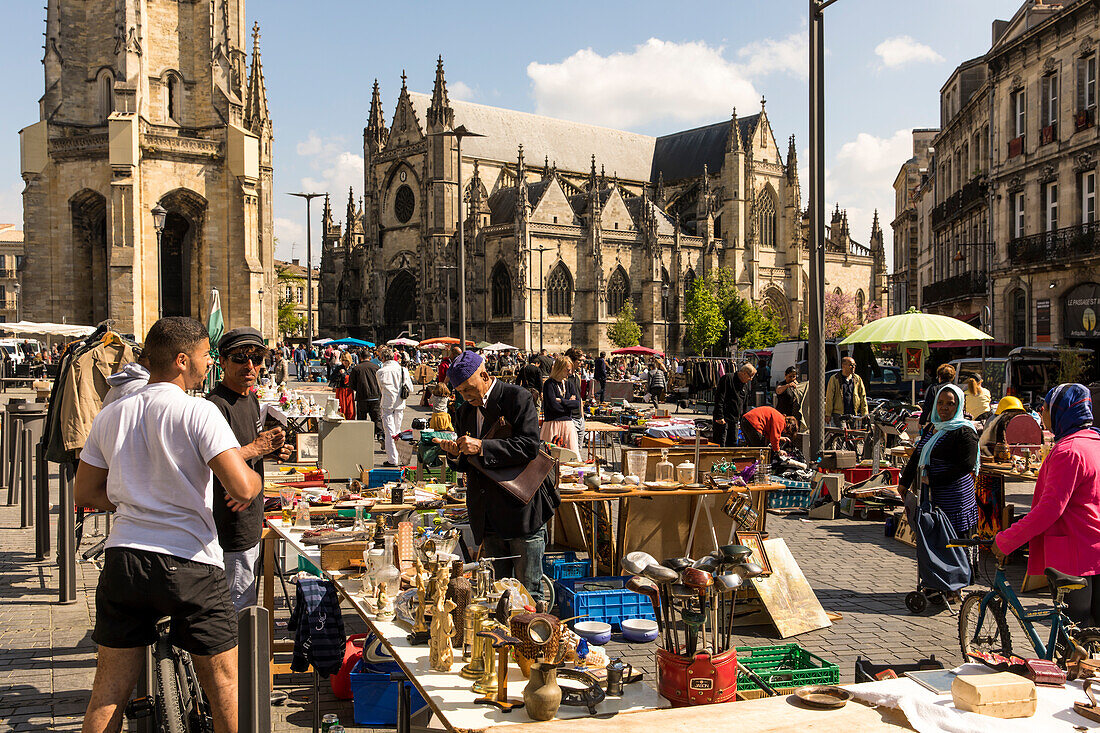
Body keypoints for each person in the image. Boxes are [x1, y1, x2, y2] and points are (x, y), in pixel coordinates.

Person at [74, 317, 262, 733]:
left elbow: (84, 493)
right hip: (189, 561)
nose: (209, 363)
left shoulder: (113, 413)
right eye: (205, 355)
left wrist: (134, 496)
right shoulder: (199, 411)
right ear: (181, 361)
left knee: (108, 691)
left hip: (125, 558)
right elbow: (241, 487)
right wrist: (256, 478)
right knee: (224, 687)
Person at [433, 351, 560, 606]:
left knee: (528, 596)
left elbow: (529, 446)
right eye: (460, 392)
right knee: (496, 596)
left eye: (469, 389)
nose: (466, 397)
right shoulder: (464, 412)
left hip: (521, 511)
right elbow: (470, 464)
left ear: (485, 375)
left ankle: (531, 643)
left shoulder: (517, 397)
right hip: (488, 516)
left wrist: (482, 447)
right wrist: (455, 456)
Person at [993, 384, 1100, 626]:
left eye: (1046, 409)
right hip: (1094, 551)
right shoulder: (1095, 441)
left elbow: (1049, 509)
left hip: (1075, 555)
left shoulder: (1068, 451)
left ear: (1061, 411)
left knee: (1074, 634)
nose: (1042, 414)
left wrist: (1007, 541)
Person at [207, 328, 291, 612]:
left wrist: (273, 450)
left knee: (246, 603)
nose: (250, 366)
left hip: (252, 516)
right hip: (230, 522)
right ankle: (236, 657)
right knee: (235, 610)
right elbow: (209, 461)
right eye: (240, 358)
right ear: (222, 361)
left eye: (257, 358)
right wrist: (256, 448)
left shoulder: (252, 399)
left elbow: (248, 450)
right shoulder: (214, 406)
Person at [899, 383, 980, 598]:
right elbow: (917, 456)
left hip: (954, 499)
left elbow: (966, 466)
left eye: (950, 404)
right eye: (941, 403)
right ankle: (936, 582)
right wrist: (904, 482)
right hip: (932, 495)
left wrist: (932, 478)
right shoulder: (932, 428)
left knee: (954, 541)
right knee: (935, 540)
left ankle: (955, 585)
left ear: (959, 406)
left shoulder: (965, 432)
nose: (944, 408)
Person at [378, 346, 414, 467]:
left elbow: (381, 389)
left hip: (387, 403)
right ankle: (401, 457)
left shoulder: (381, 372)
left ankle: (392, 459)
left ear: (383, 358)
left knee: (389, 432)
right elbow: (411, 388)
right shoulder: (403, 370)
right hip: (400, 403)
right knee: (397, 431)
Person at [540, 356, 581, 453]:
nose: (570, 373)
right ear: (560, 368)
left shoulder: (569, 384)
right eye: (567, 370)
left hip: (567, 424)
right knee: (551, 456)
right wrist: (568, 404)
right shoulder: (549, 384)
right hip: (552, 424)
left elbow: (577, 404)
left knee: (571, 456)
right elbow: (553, 406)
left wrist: (562, 401)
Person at [713, 363, 756, 447]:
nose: (750, 379)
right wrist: (719, 416)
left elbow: (744, 404)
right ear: (744, 373)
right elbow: (719, 398)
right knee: (720, 442)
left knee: (732, 443)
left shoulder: (745, 386)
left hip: (735, 420)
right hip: (724, 418)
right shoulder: (727, 379)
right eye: (750, 376)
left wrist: (743, 420)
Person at [824, 356, 868, 427]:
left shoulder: (857, 379)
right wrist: (828, 414)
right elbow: (829, 397)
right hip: (839, 413)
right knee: (844, 433)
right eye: (851, 365)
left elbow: (863, 396)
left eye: (854, 365)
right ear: (843, 366)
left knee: (852, 435)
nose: (853, 367)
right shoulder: (835, 379)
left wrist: (865, 413)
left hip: (853, 413)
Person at [919, 363, 957, 427]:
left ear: (939, 376)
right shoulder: (957, 390)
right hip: (952, 423)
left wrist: (922, 422)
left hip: (936, 424)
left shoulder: (934, 388)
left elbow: (927, 406)